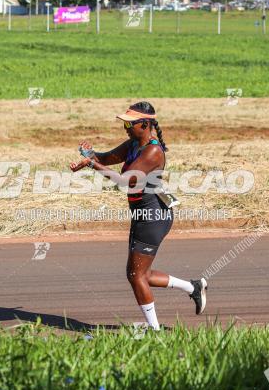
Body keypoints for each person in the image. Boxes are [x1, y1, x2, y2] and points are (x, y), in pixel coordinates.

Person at [70, 101, 207, 331]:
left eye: (129, 124)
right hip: (143, 214)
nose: (126, 128)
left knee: (135, 275)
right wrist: (90, 155)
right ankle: (193, 287)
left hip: (153, 216)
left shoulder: (153, 151)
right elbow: (106, 158)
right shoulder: (133, 144)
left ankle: (155, 330)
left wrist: (92, 165)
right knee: (141, 273)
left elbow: (125, 181)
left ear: (144, 124)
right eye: (125, 124)